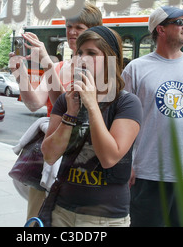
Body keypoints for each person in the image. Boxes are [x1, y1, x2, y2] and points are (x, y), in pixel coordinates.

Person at [122, 6, 183, 227]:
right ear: (161, 29)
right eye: (179, 22)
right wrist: (125, 162)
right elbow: (123, 123)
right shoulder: (135, 69)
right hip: (147, 175)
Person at [9, 3, 103, 219]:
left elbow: (67, 106)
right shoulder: (60, 67)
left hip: (80, 159)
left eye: (78, 27)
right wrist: (19, 72)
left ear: (94, 30)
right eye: (68, 26)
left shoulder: (100, 68)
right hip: (50, 153)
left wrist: (45, 62)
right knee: (37, 219)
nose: (71, 32)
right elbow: (34, 103)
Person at [41, 26, 142, 227]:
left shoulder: (127, 103)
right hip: (63, 211)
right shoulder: (66, 100)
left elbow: (109, 158)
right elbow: (50, 155)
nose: (82, 59)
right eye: (79, 53)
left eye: (91, 53)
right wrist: (70, 114)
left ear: (110, 59)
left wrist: (92, 105)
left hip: (105, 218)